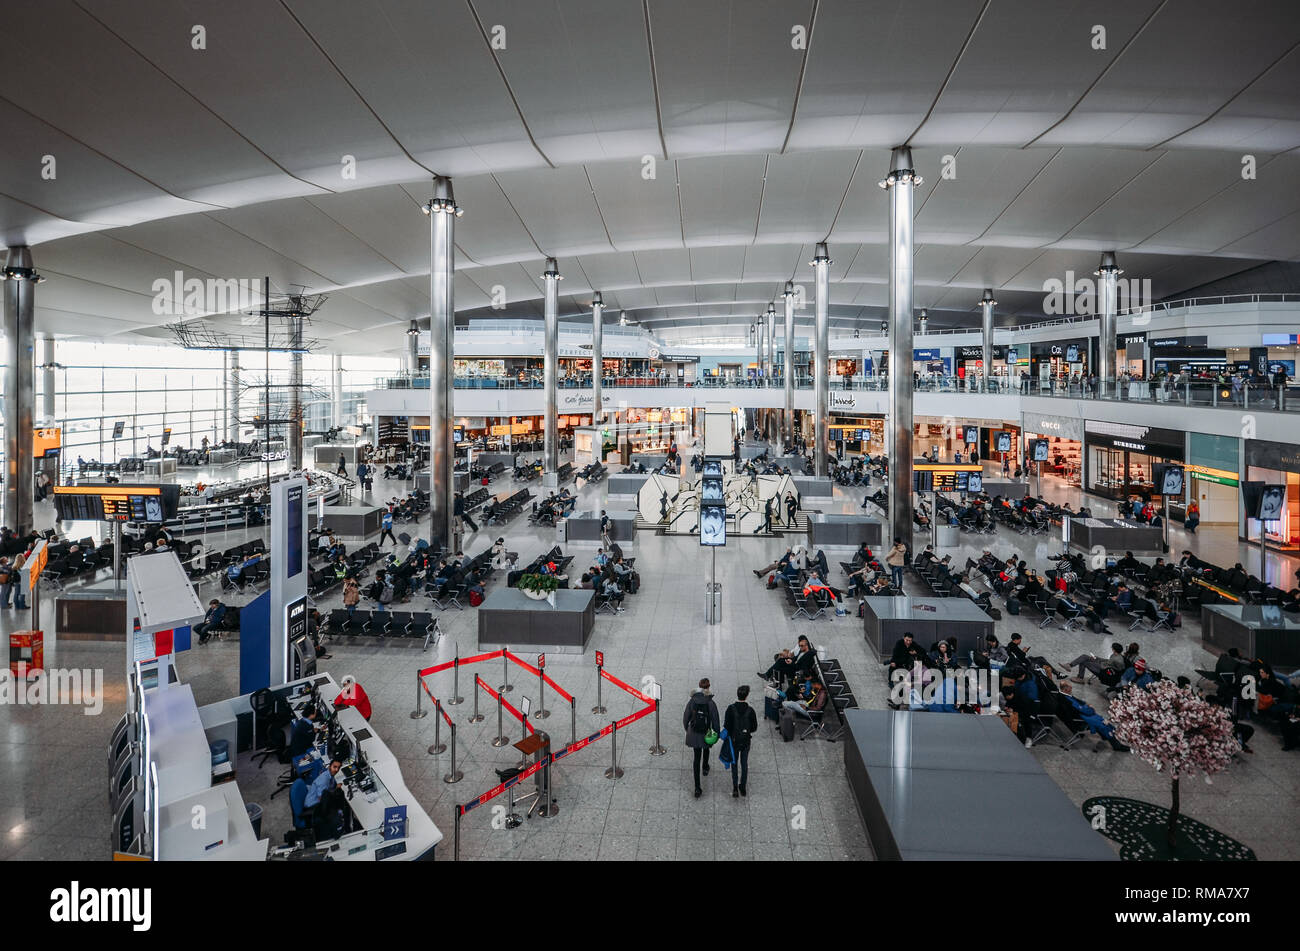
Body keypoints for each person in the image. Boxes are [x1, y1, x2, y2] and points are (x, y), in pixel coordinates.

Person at [683, 678, 720, 799]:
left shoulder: (692, 701)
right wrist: (716, 735)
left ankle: (697, 787)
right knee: (706, 749)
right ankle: (705, 767)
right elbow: (715, 722)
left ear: (699, 687)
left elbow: (686, 717)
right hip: (706, 734)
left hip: (694, 733)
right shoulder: (710, 703)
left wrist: (687, 729)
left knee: (696, 758)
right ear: (708, 688)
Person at [724, 685, 757, 797]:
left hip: (734, 741)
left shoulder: (730, 709)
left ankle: (734, 788)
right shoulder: (750, 710)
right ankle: (742, 787)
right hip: (746, 741)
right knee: (744, 763)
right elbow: (754, 728)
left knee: (734, 763)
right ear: (747, 696)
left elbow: (727, 726)